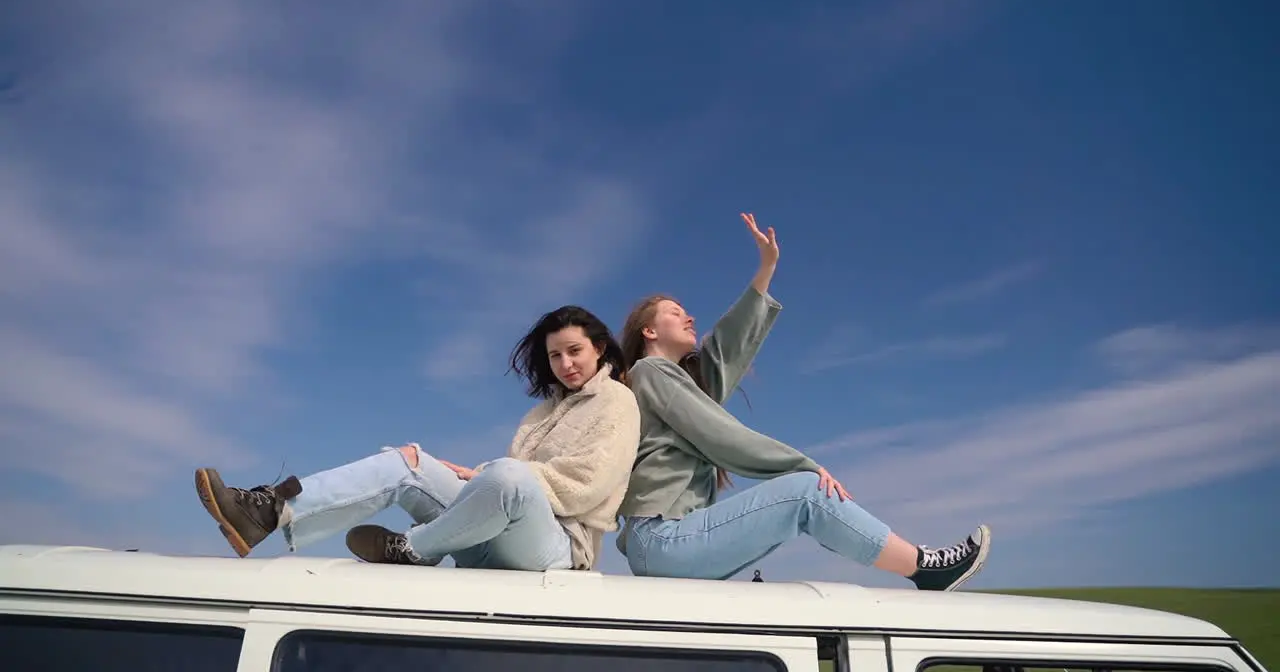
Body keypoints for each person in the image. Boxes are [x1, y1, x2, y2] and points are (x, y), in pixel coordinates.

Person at [614, 212, 991, 590]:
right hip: (661, 537)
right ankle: (924, 568)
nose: (690, 317)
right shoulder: (650, 372)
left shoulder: (679, 382)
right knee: (807, 493)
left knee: (801, 499)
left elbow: (726, 351)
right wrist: (802, 465)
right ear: (649, 330)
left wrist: (766, 269)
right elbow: (717, 433)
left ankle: (923, 568)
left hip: (672, 541)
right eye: (675, 313)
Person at [194, 305, 641, 572]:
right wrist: (479, 482)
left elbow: (588, 483)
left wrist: (490, 475)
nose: (565, 363)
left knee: (507, 476)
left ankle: (414, 548)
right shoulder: (539, 414)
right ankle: (270, 511)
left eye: (575, 351)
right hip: (491, 536)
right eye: (555, 355)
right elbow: (506, 487)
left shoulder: (617, 402)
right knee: (408, 460)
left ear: (599, 348)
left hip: (556, 548)